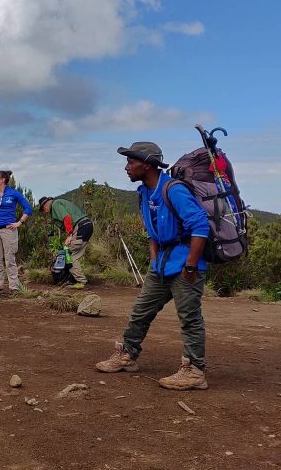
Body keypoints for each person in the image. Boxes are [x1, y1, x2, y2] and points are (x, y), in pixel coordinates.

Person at [95, 141, 210, 391]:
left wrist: (190, 266)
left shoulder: (173, 189)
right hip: (161, 265)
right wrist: (154, 257)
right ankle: (127, 355)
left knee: (189, 318)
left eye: (131, 162)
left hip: (184, 264)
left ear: (147, 165)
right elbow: (152, 229)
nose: (127, 167)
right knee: (141, 311)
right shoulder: (145, 192)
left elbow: (200, 226)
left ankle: (194, 371)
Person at [38, 195, 93, 289]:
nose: (44, 211)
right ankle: (72, 278)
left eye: (43, 209)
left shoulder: (55, 204)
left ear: (45, 205)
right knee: (71, 252)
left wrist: (70, 234)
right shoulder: (59, 203)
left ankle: (81, 282)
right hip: (87, 226)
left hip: (80, 227)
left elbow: (67, 217)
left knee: (69, 254)